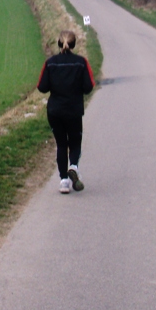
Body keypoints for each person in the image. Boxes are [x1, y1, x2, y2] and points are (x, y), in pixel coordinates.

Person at [36, 30, 95, 194]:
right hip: (74, 110)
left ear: (59, 43)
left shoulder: (50, 63)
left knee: (61, 144)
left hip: (55, 111)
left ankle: (63, 181)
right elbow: (89, 86)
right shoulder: (81, 63)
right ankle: (74, 167)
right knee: (75, 142)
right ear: (74, 44)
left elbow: (42, 87)